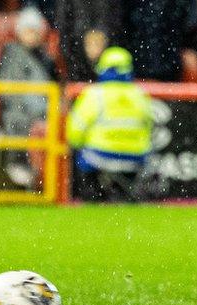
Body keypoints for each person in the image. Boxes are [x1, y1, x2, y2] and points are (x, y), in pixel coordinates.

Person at [66, 47, 155, 201]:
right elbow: (150, 127)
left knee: (78, 158)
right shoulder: (139, 95)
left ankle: (92, 196)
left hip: (99, 155)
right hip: (135, 157)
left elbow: (75, 130)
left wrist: (77, 145)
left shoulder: (95, 94)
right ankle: (124, 195)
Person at [0, 7, 59, 187]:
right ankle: (21, 163)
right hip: (21, 111)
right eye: (27, 30)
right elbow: (9, 89)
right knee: (19, 122)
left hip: (45, 111)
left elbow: (52, 86)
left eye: (35, 31)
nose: (31, 35)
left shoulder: (46, 58)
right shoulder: (12, 55)